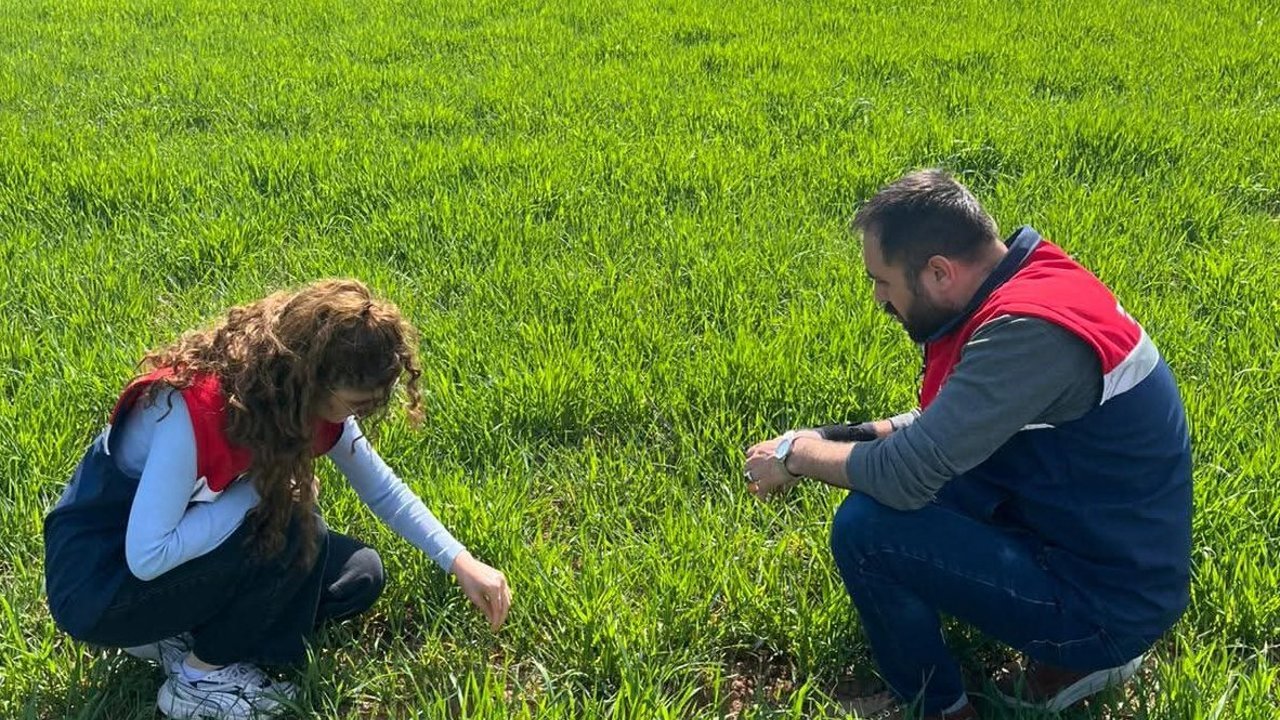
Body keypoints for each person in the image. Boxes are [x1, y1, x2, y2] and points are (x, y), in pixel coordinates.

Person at [743, 170, 1192, 719]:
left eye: (882, 281)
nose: (880, 298)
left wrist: (797, 457)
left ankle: (946, 706)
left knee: (868, 530)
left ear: (938, 273)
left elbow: (904, 475)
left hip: (1106, 604)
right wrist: (823, 437)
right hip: (1105, 552)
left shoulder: (1027, 334)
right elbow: (941, 427)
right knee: (927, 481)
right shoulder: (1030, 282)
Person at [44, 279, 512, 720]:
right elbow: (147, 555)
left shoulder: (295, 395)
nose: (363, 415)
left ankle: (176, 637)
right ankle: (197, 680)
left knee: (358, 574)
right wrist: (258, 495)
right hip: (100, 584)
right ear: (311, 378)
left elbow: (380, 486)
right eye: (356, 404)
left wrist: (460, 561)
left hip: (175, 550)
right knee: (290, 526)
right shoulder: (191, 411)